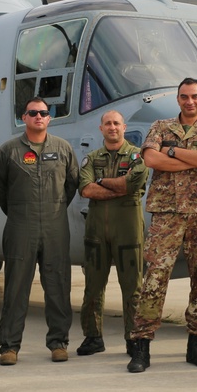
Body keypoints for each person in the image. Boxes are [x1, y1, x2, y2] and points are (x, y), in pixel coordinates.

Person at [127, 78, 197, 373]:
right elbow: (150, 158)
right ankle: (141, 345)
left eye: (195, 96)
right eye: (184, 97)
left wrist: (172, 153)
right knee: (155, 279)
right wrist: (190, 158)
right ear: (178, 99)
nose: (190, 101)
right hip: (166, 214)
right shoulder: (160, 126)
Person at [0, 97, 79, 364]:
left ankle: (58, 343)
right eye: (33, 113)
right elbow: (0, 190)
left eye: (43, 113)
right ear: (24, 117)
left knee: (58, 286)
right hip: (21, 225)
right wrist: (21, 211)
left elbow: (72, 185)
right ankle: (9, 347)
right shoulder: (8, 151)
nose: (39, 116)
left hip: (55, 225)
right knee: (16, 288)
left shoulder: (63, 149)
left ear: (49, 118)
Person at [76, 110, 147, 357]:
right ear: (101, 128)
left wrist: (102, 181)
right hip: (97, 231)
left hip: (128, 231)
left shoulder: (137, 156)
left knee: (133, 287)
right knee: (93, 287)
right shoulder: (91, 157)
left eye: (116, 123)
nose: (112, 127)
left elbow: (133, 184)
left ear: (124, 127)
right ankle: (93, 337)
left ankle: (134, 337)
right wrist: (119, 186)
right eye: (108, 123)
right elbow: (85, 189)